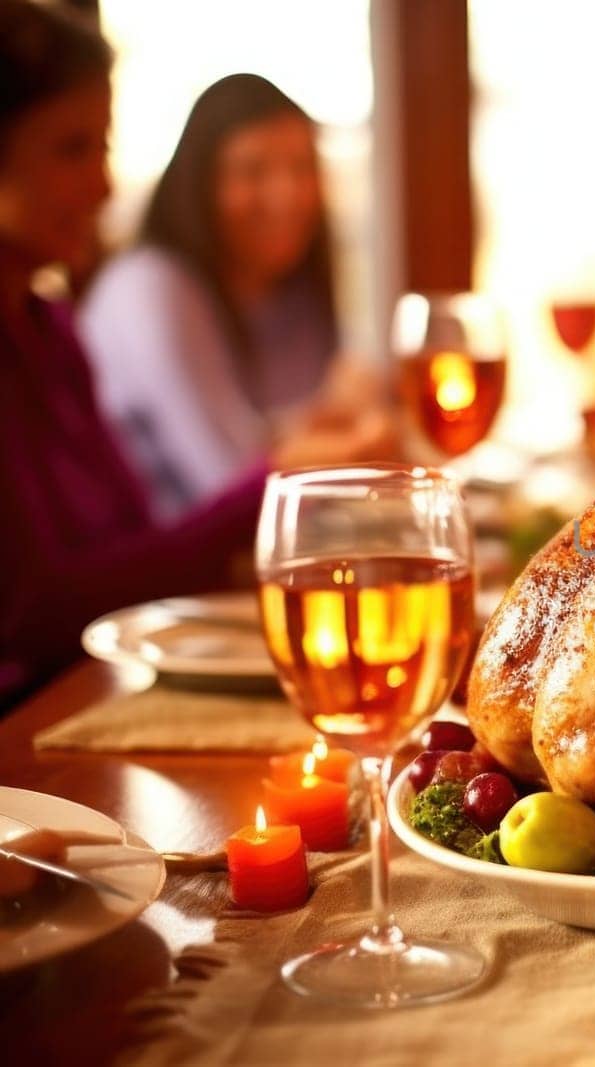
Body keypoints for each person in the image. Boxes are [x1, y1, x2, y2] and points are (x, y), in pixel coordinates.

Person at [0, 2, 387, 706]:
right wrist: (283, 476)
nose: (105, 186)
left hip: (98, 687)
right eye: (70, 149)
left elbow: (138, 546)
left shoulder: (49, 328)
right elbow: (31, 609)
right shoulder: (149, 289)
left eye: (104, 148)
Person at [80, 73, 380, 519]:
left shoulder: (294, 291)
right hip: (160, 579)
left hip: (236, 571)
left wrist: (331, 430)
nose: (287, 194)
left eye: (302, 168)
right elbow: (230, 486)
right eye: (254, 170)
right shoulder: (150, 289)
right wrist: (347, 441)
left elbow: (291, 439)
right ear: (200, 184)